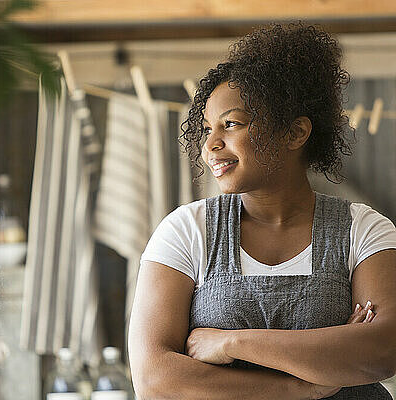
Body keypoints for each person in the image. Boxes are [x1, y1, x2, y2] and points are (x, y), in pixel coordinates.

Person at [128, 22, 396, 399]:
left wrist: (230, 343)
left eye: (231, 124)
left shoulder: (364, 229)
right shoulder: (186, 230)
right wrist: (301, 387)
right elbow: (154, 379)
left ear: (295, 133)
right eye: (207, 129)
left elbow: (383, 351)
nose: (210, 145)